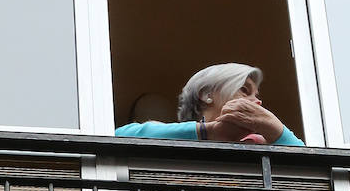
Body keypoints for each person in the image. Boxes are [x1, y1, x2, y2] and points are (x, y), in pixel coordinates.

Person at [115, 62, 304, 146]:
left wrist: (274, 128)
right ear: (207, 95)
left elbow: (313, 175)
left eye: (256, 95)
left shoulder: (259, 145)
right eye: (245, 90)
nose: (258, 102)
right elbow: (116, 137)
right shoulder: (168, 137)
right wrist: (209, 132)